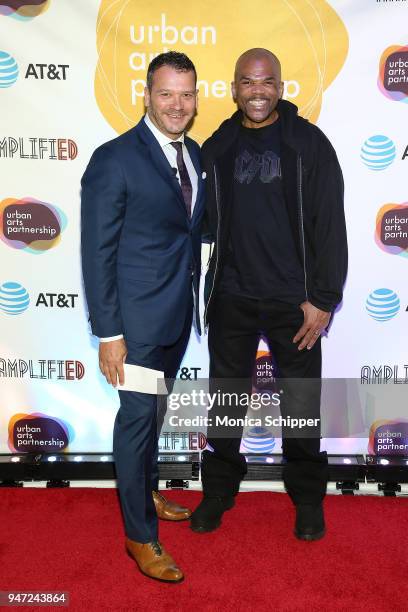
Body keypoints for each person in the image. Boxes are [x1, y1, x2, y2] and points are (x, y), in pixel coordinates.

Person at [191, 48, 347, 540]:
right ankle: (218, 492)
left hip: (294, 302)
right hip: (233, 296)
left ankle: (306, 497)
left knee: (301, 405)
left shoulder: (308, 144)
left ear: (280, 86)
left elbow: (330, 227)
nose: (256, 92)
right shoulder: (219, 145)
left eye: (266, 82)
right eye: (246, 83)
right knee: (225, 402)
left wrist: (322, 298)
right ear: (233, 88)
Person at [81, 51, 205, 582]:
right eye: (166, 94)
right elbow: (96, 253)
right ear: (146, 95)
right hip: (133, 327)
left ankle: (150, 494)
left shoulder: (194, 153)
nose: (176, 105)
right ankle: (139, 537)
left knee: (154, 415)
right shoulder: (114, 158)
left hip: (176, 318)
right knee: (136, 422)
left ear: (196, 98)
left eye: (186, 94)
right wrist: (110, 333)